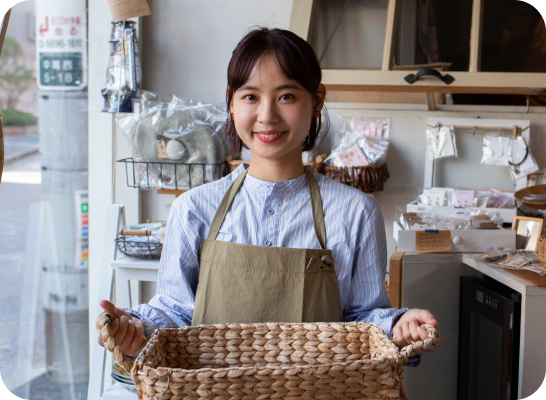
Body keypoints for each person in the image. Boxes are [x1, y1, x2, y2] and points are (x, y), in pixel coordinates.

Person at [98, 27, 441, 364]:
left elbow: (364, 319)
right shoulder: (193, 208)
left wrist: (398, 326)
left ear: (317, 101)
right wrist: (135, 329)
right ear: (231, 103)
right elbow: (173, 313)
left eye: (286, 96)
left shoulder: (357, 212)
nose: (267, 115)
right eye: (250, 96)